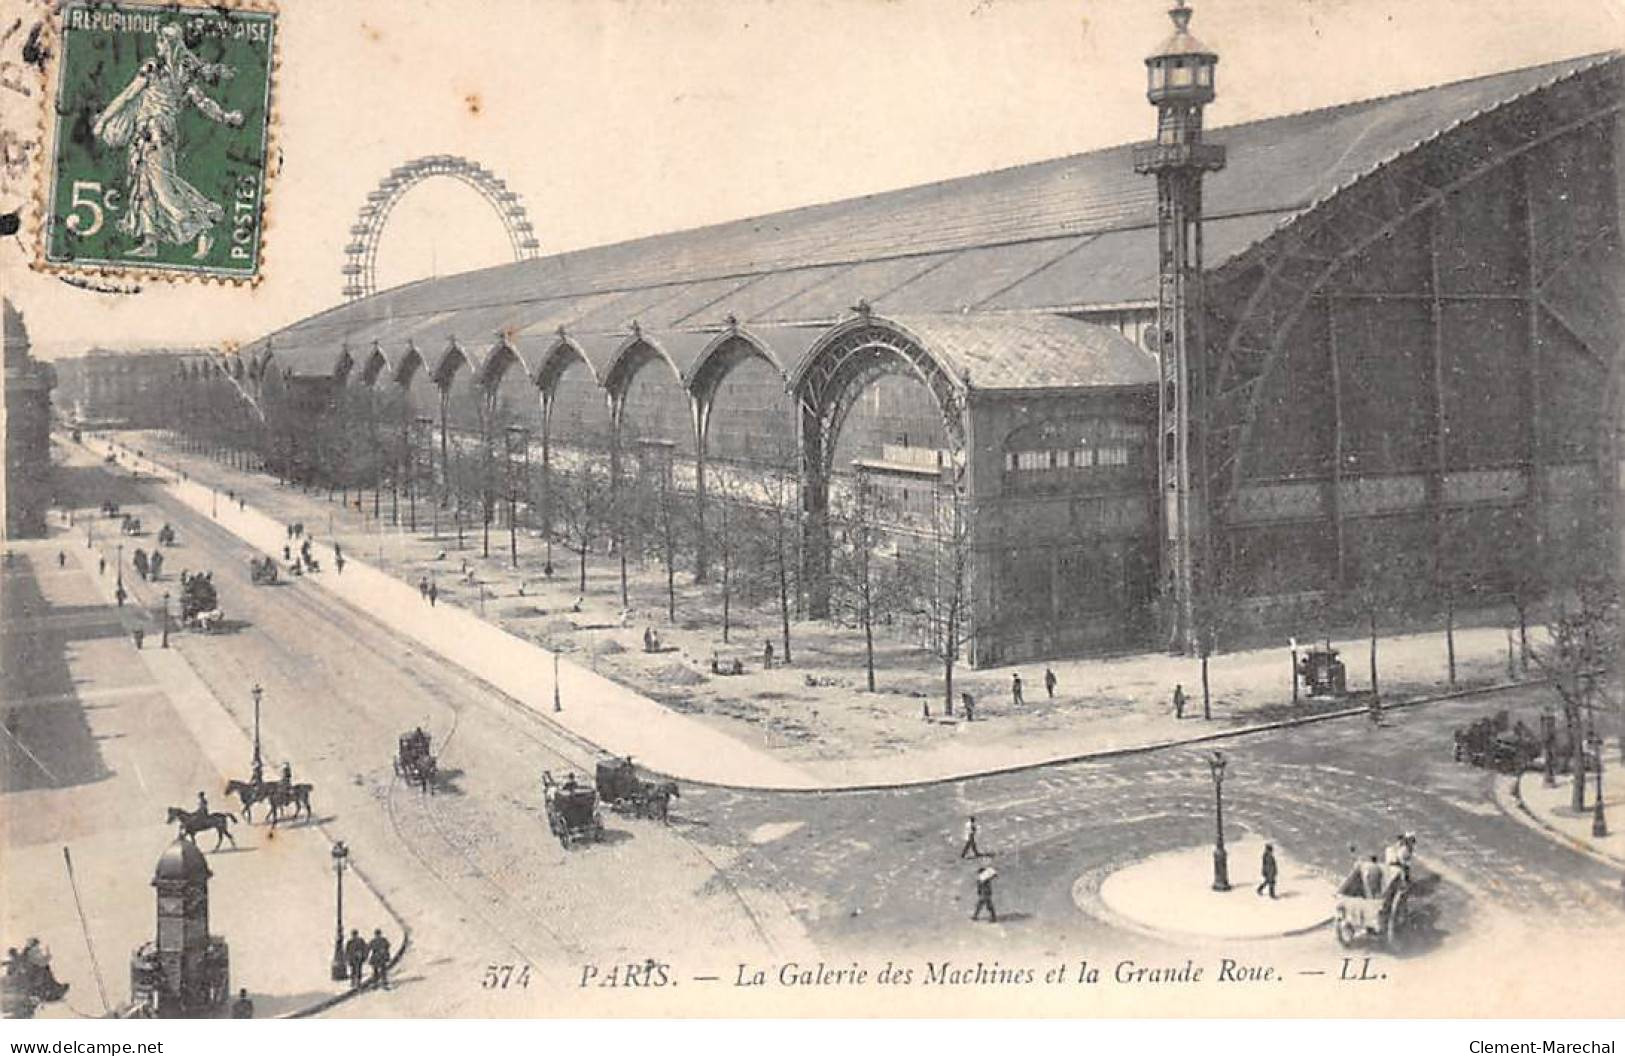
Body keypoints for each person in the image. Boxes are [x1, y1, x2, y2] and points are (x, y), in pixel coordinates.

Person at [91, 22, 243, 260]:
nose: (158, 45)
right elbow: (203, 103)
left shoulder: (156, 68)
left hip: (157, 134)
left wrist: (103, 121)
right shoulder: (182, 73)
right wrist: (225, 117)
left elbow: (128, 95)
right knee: (144, 187)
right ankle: (150, 242)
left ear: (167, 44)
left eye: (161, 41)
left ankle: (204, 226)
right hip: (148, 134)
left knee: (163, 188)